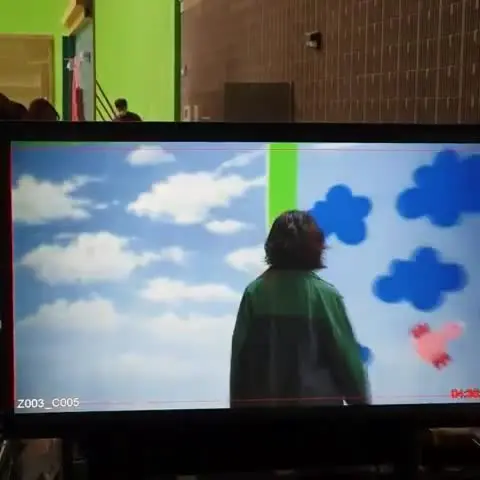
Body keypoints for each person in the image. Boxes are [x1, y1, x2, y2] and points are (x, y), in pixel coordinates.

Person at [229, 210, 370, 408]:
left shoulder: (254, 293)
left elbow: (240, 364)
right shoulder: (325, 295)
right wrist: (363, 407)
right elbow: (347, 363)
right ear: (315, 245)